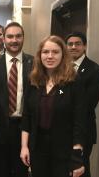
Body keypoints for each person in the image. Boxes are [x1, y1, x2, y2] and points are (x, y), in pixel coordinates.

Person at [20, 35, 87, 177]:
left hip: (64, 149)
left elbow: (79, 121)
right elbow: (27, 116)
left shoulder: (74, 81)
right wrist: (24, 147)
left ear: (63, 55)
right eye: (45, 52)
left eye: (55, 52)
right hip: (37, 148)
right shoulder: (33, 80)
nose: (50, 56)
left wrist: (77, 156)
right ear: (39, 55)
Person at [0, 22, 33, 177]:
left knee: (21, 170)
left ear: (23, 38)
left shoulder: (35, 63)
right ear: (4, 39)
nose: (14, 40)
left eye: (18, 36)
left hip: (26, 127)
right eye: (10, 36)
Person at [65, 32, 99, 177]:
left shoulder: (95, 70)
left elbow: (88, 104)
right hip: (61, 129)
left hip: (83, 130)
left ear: (85, 46)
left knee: (80, 170)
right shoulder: (60, 68)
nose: (73, 47)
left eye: (78, 43)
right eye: (70, 44)